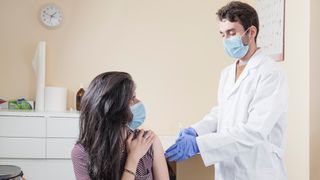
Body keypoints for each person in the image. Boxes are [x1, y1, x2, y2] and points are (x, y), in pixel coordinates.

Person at [165, 1, 288, 180]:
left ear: (251, 32)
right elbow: (222, 112)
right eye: (222, 34)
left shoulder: (270, 73)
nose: (226, 40)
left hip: (258, 169)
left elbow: (255, 130)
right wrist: (196, 130)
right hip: (227, 168)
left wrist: (199, 145)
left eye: (232, 33)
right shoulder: (228, 73)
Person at [71, 71, 169, 180]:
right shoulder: (82, 153)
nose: (138, 102)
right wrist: (133, 158)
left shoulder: (149, 141)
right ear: (114, 109)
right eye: (132, 98)